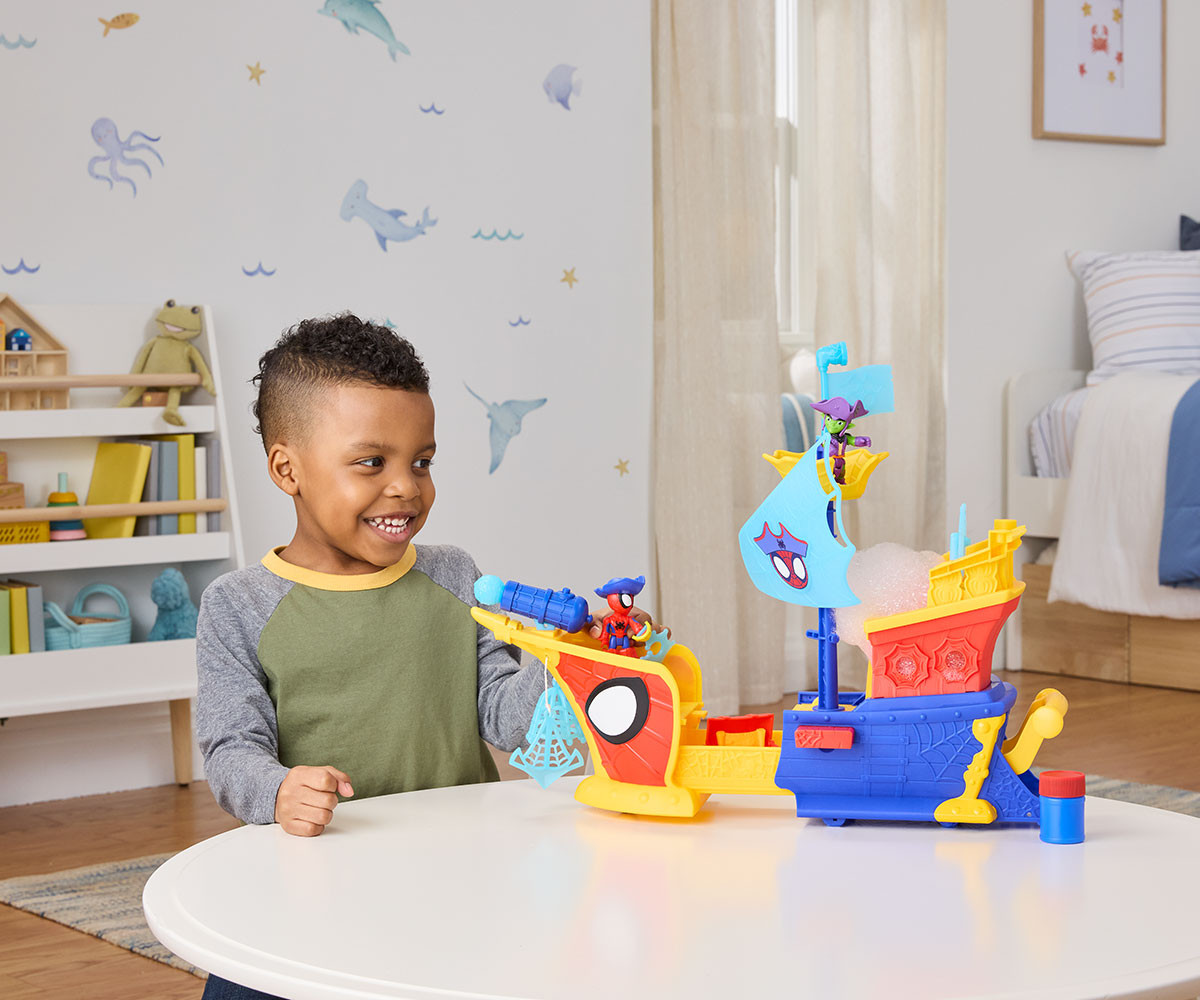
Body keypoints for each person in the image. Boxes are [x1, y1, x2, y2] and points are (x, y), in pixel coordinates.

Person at [194, 315, 548, 999]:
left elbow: (508, 719)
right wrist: (278, 790)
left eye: (422, 462)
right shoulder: (238, 605)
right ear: (287, 469)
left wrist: (571, 664)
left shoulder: (454, 575)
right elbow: (231, 750)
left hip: (458, 871)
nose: (407, 487)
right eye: (371, 463)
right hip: (317, 875)